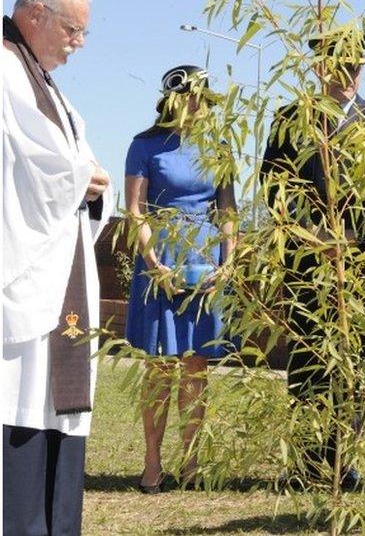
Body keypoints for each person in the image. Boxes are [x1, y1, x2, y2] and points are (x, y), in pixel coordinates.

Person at [260, 30, 365, 489]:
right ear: (319, 67)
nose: (348, 76)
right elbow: (273, 186)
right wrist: (313, 232)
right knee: (307, 361)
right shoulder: (291, 117)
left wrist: (349, 236)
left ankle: (344, 458)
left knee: (357, 363)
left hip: (362, 266)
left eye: (356, 66)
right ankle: (304, 462)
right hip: (307, 264)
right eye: (338, 66)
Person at [2, 0, 111, 533]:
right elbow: (43, 167)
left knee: (55, 412)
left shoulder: (48, 87)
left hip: (59, 268)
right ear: (36, 14)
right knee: (22, 409)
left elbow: (77, 159)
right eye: (73, 30)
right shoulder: (5, 72)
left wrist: (89, 181)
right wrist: (80, 178)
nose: (79, 44)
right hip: (21, 275)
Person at [124, 65, 236, 493]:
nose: (200, 105)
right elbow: (135, 210)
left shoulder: (219, 147)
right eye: (193, 97)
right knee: (158, 365)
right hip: (161, 256)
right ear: (174, 100)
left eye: (204, 98)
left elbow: (227, 209)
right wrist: (155, 265)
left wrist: (228, 261)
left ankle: (190, 463)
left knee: (195, 364)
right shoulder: (145, 145)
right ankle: (152, 464)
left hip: (205, 258)